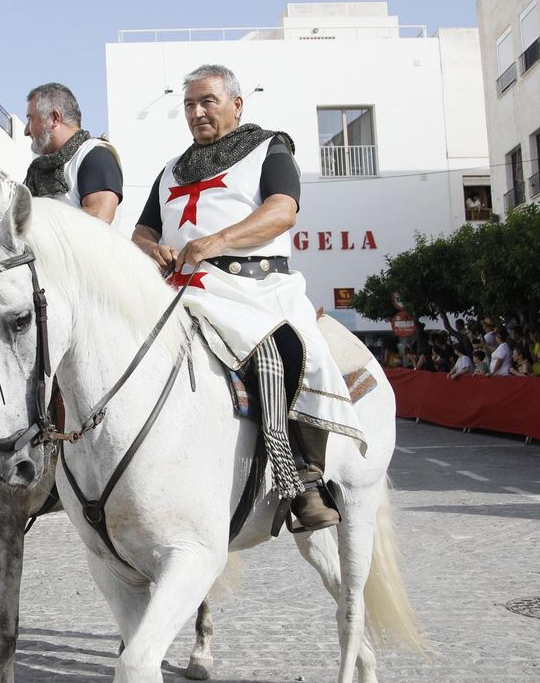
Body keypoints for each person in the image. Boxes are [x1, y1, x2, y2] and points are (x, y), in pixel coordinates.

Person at [129, 64, 359, 532]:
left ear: (237, 104)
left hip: (254, 288)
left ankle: (303, 477)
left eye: (207, 101)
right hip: (179, 288)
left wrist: (215, 242)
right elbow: (141, 231)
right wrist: (154, 249)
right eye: (189, 104)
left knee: (286, 351)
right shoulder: (171, 169)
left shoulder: (268, 148)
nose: (196, 112)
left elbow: (282, 211)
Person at [22, 82, 123, 223]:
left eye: (30, 119)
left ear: (55, 118)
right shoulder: (37, 171)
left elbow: (100, 217)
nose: (26, 131)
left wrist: (36, 223)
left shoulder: (95, 155)